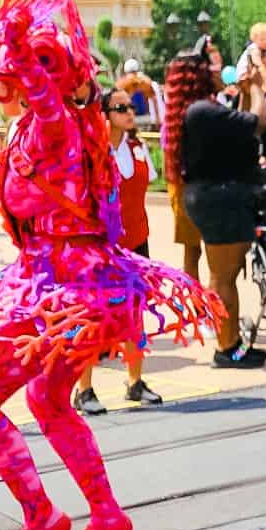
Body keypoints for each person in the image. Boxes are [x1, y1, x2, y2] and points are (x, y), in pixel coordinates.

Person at [0, 0, 218, 530]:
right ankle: (107, 514)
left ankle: (42, 517)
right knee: (49, 402)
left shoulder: (56, 121)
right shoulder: (46, 133)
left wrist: (18, 16)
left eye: (1, 74)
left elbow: (38, 84)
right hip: (75, 287)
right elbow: (2, 171)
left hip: (61, 290)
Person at [74, 87, 163, 413]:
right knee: (91, 317)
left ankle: (135, 382)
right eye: (120, 107)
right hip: (100, 247)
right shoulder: (90, 151)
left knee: (134, 315)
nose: (129, 112)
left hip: (136, 243)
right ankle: (84, 389)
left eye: (132, 106)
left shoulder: (138, 148)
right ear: (104, 113)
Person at [181, 56, 266, 368]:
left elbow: (241, 128)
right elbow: (258, 123)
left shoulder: (203, 110)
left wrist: (246, 92)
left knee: (225, 277)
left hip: (217, 197)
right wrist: (259, 89)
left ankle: (232, 346)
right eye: (214, 67)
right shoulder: (202, 110)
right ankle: (227, 348)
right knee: (223, 278)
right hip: (218, 200)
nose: (222, 70)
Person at [161, 49, 215, 281]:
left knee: (192, 252)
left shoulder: (173, 115)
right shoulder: (204, 113)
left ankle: (196, 306)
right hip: (205, 187)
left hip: (182, 186)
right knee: (209, 253)